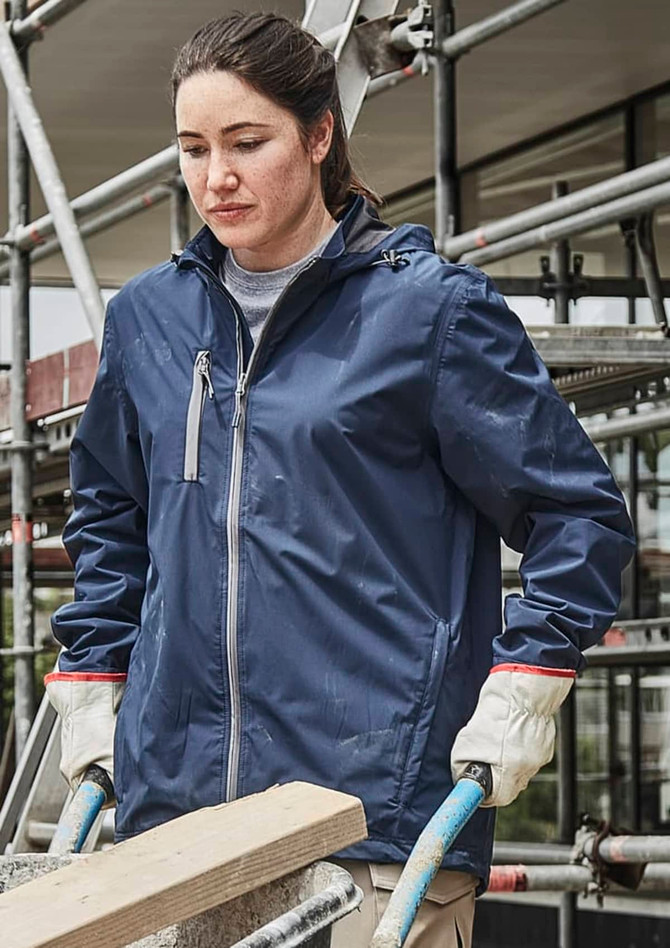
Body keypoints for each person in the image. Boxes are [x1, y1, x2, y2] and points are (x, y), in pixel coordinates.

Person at [45, 12, 634, 948]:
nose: (217, 177)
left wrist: (527, 679)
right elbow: (112, 520)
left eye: (247, 142)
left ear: (319, 135)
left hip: (369, 827)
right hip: (173, 835)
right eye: (193, 148)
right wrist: (91, 677)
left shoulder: (428, 313)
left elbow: (578, 512)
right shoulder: (150, 321)